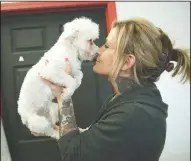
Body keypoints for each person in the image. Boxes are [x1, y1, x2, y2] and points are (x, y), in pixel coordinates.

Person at [32, 18, 190, 161]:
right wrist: (52, 129)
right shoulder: (124, 100)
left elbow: (74, 156)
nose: (98, 51)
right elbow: (93, 140)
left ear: (127, 62)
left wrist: (63, 95)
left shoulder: (135, 114)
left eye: (107, 46)